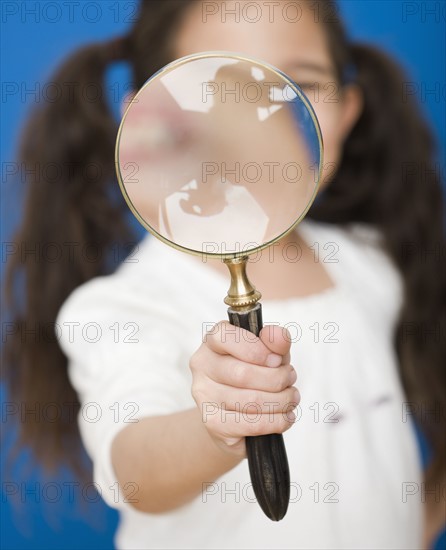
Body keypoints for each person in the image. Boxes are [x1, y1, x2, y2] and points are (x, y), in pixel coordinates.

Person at [4, 1, 445, 549]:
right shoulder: (126, 307)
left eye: (297, 85)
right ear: (144, 120)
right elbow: (137, 471)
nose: (260, 114)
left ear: (348, 111)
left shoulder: (374, 266)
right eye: (216, 87)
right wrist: (214, 429)